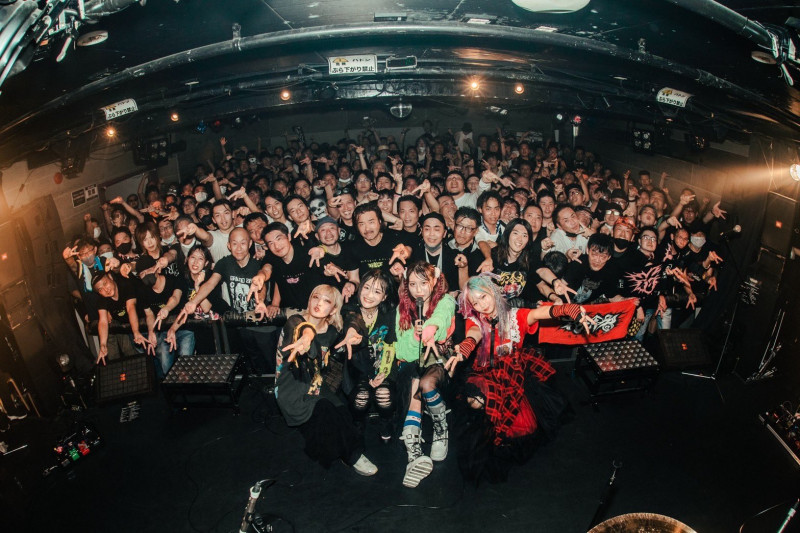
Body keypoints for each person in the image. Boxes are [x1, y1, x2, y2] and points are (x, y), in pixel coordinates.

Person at [445, 275, 589, 481]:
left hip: (513, 372)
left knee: (523, 427)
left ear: (493, 291)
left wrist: (567, 309)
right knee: (475, 402)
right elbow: (474, 334)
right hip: (485, 372)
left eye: (483, 297)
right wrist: (466, 348)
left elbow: (539, 313)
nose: (481, 305)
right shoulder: (475, 319)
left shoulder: (515, 315)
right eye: (475, 303)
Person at [274, 285, 379, 476]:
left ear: (333, 309)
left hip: (315, 384)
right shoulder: (294, 321)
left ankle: (341, 448)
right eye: (315, 297)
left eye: (326, 301)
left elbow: (352, 317)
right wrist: (307, 337)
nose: (319, 303)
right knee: (326, 412)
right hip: (292, 388)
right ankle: (354, 457)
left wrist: (353, 331)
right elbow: (302, 328)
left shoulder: (331, 332)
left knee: (342, 412)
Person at [394, 261, 456, 488]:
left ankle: (441, 428)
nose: (418, 290)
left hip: (440, 359)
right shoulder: (402, 309)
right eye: (412, 284)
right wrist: (415, 337)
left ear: (434, 281)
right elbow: (402, 351)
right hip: (413, 364)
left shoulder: (446, 300)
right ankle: (414, 455)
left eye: (423, 283)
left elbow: (441, 318)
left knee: (426, 383)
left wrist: (429, 330)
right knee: (415, 381)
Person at [336, 270, 399, 444]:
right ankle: (357, 423)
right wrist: (351, 331)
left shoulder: (389, 314)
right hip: (357, 368)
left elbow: (390, 345)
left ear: (384, 297)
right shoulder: (349, 308)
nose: (369, 295)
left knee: (384, 396)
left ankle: (386, 421)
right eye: (366, 287)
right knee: (360, 399)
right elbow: (353, 321)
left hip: (382, 364)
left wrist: (383, 372)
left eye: (377, 291)